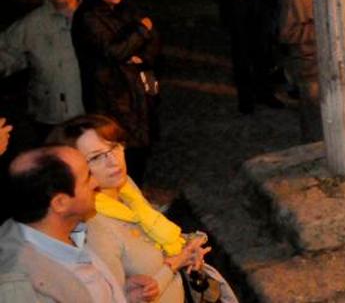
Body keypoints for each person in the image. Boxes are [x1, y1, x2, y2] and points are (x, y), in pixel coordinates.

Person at [48, 114, 225, 303]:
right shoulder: (93, 226)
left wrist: (185, 248)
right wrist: (173, 265)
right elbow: (116, 298)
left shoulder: (124, 186)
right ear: (75, 169)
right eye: (97, 157)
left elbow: (149, 234)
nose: (113, 161)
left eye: (114, 147)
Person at [0, 146, 131, 302]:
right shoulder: (21, 289)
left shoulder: (67, 231)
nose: (95, 183)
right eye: (87, 178)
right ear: (60, 203)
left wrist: (120, 293)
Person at [71, 0, 161, 184]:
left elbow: (154, 38)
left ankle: (136, 198)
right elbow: (114, 51)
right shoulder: (88, 16)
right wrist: (140, 31)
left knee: (141, 146)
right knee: (118, 150)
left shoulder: (127, 7)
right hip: (109, 95)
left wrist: (142, 55)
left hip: (135, 89)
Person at [0, 0, 85, 139]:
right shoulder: (33, 22)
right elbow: (7, 52)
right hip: (49, 111)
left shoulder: (91, 18)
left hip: (88, 109)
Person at [277, 0, 320, 141]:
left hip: (317, 60)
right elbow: (286, 33)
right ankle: (312, 149)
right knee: (311, 113)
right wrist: (318, 28)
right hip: (306, 63)